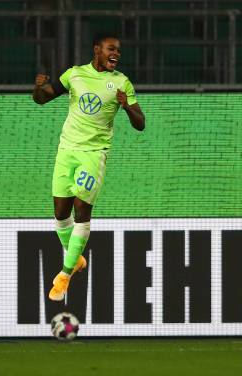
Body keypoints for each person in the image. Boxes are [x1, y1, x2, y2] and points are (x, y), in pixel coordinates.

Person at [32, 32, 145, 301]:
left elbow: (141, 123)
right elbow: (42, 98)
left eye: (118, 50)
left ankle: (65, 274)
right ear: (97, 50)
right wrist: (39, 86)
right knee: (60, 213)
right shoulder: (74, 75)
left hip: (94, 154)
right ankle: (77, 258)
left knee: (81, 211)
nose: (115, 53)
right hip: (67, 150)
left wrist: (125, 106)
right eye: (110, 49)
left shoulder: (122, 83)